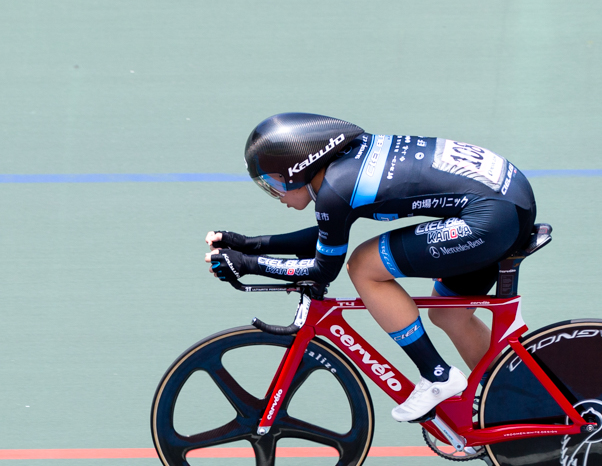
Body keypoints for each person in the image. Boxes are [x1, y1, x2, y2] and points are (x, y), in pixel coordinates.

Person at [204, 112, 537, 423]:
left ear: (297, 169)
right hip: (506, 202)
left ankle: (438, 376)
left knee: (363, 266)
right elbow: (325, 235)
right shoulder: (346, 165)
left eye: (272, 183)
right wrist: (248, 245)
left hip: (490, 218)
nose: (275, 195)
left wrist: (249, 264)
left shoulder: (336, 191)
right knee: (449, 315)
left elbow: (323, 270)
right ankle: (521, 407)